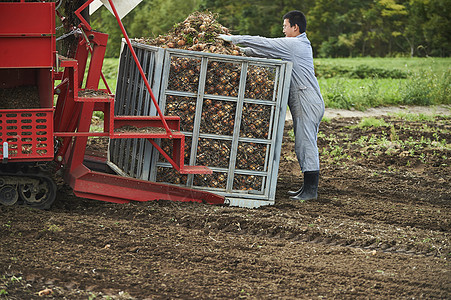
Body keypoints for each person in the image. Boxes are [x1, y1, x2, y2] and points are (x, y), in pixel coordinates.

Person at [219, 10, 325, 201]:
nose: (283, 30)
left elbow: (263, 42)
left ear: (295, 27)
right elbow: (266, 52)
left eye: (285, 26)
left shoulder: (294, 44)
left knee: (305, 143)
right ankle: (306, 189)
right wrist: (243, 51)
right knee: (303, 142)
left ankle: (311, 190)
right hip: (306, 98)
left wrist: (232, 39)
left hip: (306, 99)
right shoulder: (296, 44)